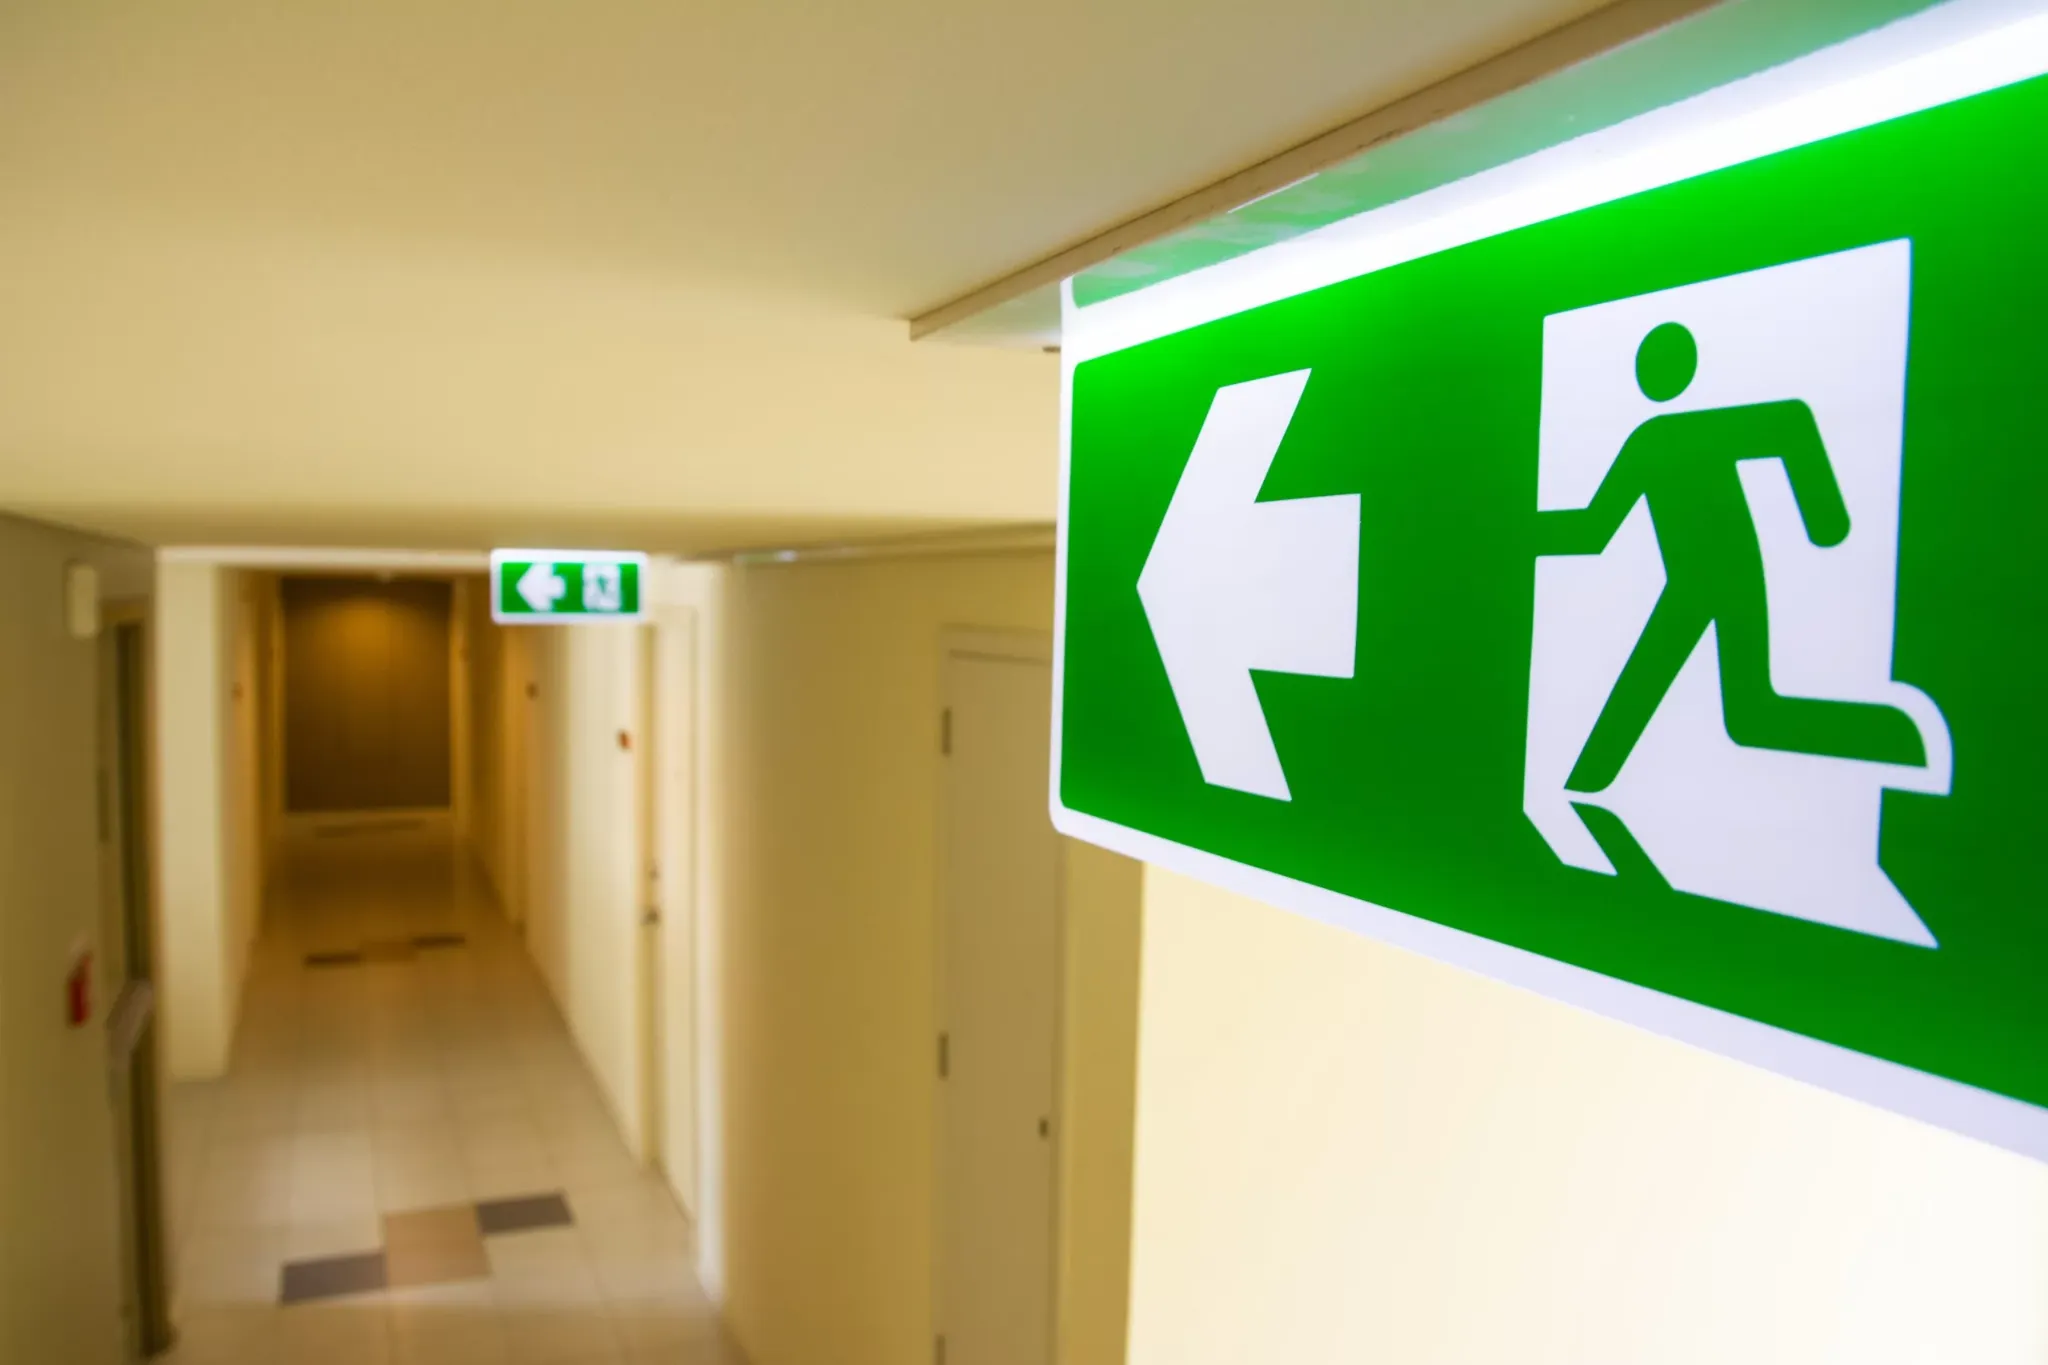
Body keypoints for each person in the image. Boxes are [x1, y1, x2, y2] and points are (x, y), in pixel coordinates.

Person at [1537, 321, 1924, 794]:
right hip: (1695, 583)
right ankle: (1585, 784)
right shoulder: (1650, 440)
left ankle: (1894, 739)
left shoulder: (1670, 435)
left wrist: (1826, 521)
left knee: (1744, 711)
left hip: (1728, 578)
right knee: (1748, 712)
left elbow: (1789, 422)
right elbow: (1594, 528)